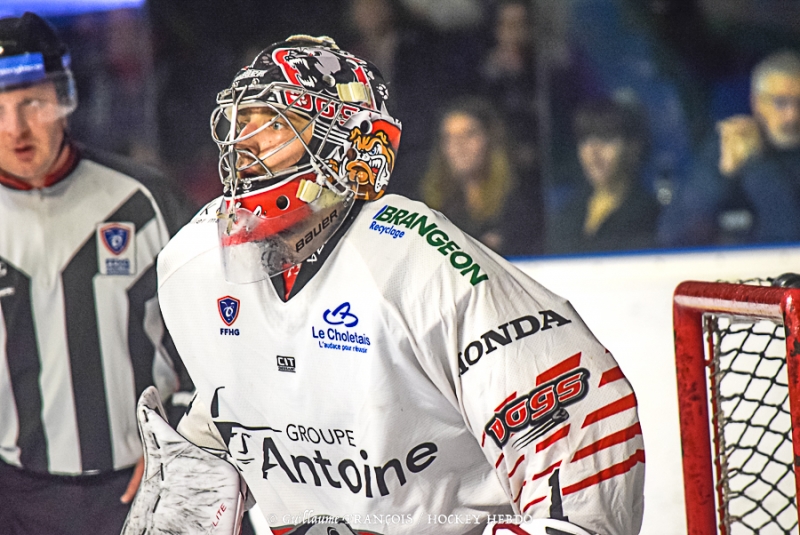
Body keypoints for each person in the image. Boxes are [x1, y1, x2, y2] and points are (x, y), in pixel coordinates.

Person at [131, 36, 644, 535]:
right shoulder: (192, 263)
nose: (246, 144)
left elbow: (574, 413)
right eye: (242, 123)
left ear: (348, 143)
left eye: (276, 124)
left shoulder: (416, 260)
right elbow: (223, 421)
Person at [0, 12, 193, 535]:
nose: (15, 128)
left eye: (31, 104)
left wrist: (175, 444)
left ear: (65, 98)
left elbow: (210, 340)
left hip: (144, 484)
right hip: (15, 496)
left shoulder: (144, 200)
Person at [659, 50, 800, 247]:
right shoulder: (723, 146)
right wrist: (722, 175)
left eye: (799, 103)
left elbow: (788, 233)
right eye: (781, 103)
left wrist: (756, 165)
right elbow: (672, 233)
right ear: (757, 102)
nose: (792, 116)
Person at [419, 97, 543, 256]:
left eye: (469, 134)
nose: (458, 146)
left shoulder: (518, 202)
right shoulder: (434, 205)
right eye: (449, 138)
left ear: (490, 139)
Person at [547, 97, 659, 254]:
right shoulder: (568, 213)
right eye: (585, 140)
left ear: (633, 147)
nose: (593, 152)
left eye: (606, 138)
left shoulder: (649, 216)